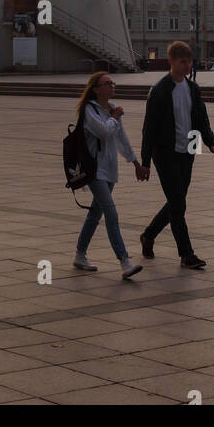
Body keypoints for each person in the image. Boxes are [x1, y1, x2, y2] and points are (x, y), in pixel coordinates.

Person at [139, 40, 214, 270]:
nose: (187, 66)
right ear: (171, 62)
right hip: (165, 153)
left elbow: (201, 120)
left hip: (190, 149)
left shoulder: (193, 89)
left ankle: (148, 235)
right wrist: (145, 162)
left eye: (189, 61)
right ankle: (187, 254)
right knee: (178, 204)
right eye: (183, 62)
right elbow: (149, 129)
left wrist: (212, 143)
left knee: (178, 202)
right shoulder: (160, 90)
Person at [72, 72, 144, 280]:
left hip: (110, 169)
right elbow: (103, 131)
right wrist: (114, 118)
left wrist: (135, 163)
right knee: (111, 213)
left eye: (112, 83)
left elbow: (121, 139)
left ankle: (79, 255)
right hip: (94, 170)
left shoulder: (112, 108)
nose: (111, 86)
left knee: (95, 214)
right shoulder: (88, 110)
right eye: (106, 84)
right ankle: (124, 262)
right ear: (95, 89)